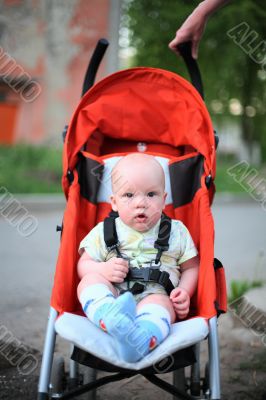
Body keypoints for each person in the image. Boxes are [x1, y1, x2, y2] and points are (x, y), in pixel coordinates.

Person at [77, 153, 199, 363]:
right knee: (88, 281)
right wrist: (102, 270)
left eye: (151, 194)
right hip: (114, 295)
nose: (141, 203)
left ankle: (137, 340)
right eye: (129, 195)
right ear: (114, 202)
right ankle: (110, 317)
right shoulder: (105, 231)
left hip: (156, 294)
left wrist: (184, 292)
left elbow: (192, 267)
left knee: (161, 307)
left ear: (163, 199)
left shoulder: (177, 232)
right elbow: (83, 265)